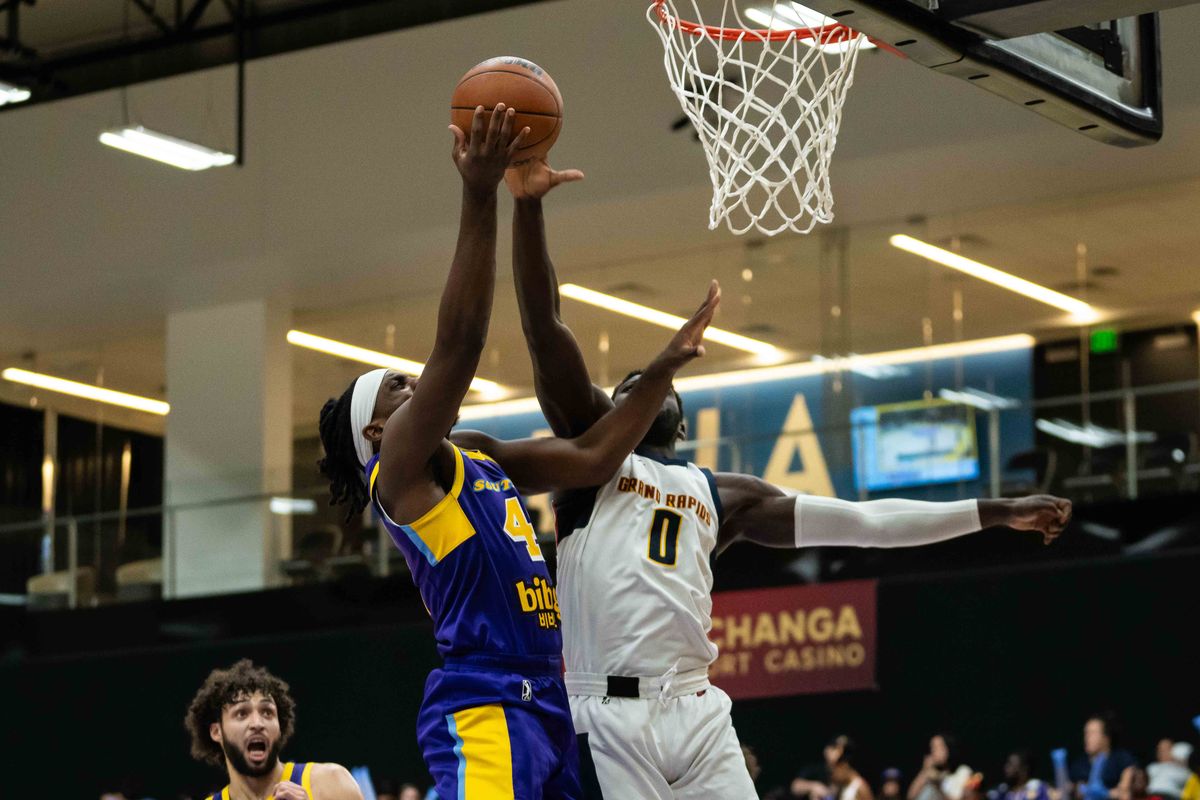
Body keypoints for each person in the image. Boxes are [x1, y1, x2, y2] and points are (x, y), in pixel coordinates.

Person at [502, 155, 1074, 800]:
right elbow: (543, 328)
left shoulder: (723, 496)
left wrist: (998, 512)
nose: (641, 384)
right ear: (615, 412)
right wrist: (527, 206)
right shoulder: (591, 465)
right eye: (628, 386)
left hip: (696, 709)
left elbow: (868, 523)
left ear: (682, 425)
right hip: (606, 715)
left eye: (655, 383)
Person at [315, 105, 721, 800]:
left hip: (547, 704)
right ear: (375, 434)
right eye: (394, 389)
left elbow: (594, 457)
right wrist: (478, 192)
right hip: (485, 700)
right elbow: (461, 343)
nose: (412, 382)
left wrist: (661, 371)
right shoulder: (400, 471)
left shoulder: (473, 453)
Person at [184, 659, 362, 800]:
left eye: (267, 712)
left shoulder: (330, 783)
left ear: (280, 725)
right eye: (241, 713)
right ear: (216, 732)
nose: (257, 723)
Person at [1069, 713, 1138, 800]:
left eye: (1092, 733)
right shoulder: (1079, 764)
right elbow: (1071, 790)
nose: (1087, 738)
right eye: (1086, 733)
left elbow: (1125, 792)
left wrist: (1106, 793)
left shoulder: (1122, 759)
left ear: (1106, 737)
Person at [909, 734, 973, 800]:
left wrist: (937, 786)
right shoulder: (929, 773)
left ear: (949, 748)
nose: (934, 752)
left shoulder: (962, 771)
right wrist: (924, 771)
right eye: (932, 748)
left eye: (939, 747)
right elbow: (911, 797)